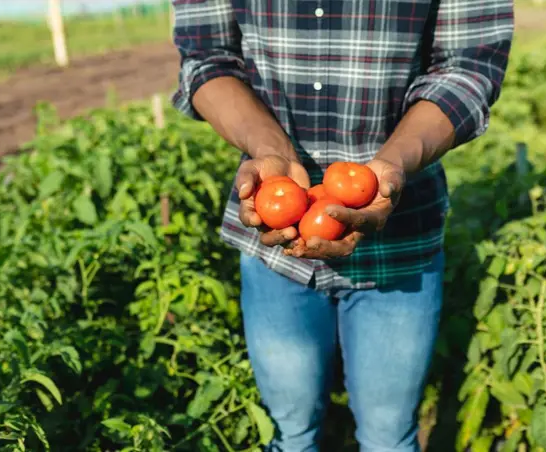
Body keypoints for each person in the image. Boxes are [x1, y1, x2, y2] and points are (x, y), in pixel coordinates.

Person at [170, 0, 513, 450]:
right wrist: (266, 145)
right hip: (274, 251)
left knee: (389, 435)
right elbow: (206, 57)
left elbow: (470, 66)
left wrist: (392, 164)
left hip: (401, 239)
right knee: (290, 431)